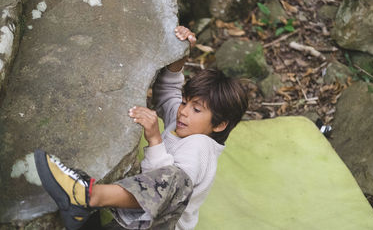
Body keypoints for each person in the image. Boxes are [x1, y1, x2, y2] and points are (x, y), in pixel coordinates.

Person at [34, 26, 249, 230]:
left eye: (197, 109)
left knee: (176, 180)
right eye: (185, 102)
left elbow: (167, 190)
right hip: (134, 221)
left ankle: (87, 196)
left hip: (161, 224)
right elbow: (168, 92)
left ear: (220, 125)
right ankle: (80, 204)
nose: (183, 111)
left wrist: (155, 139)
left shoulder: (200, 146)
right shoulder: (185, 123)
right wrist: (181, 55)